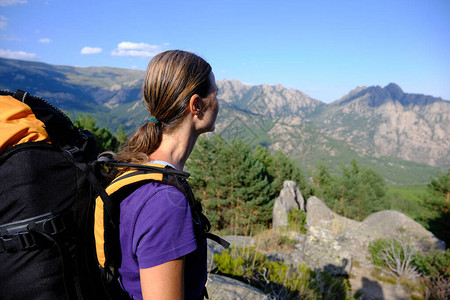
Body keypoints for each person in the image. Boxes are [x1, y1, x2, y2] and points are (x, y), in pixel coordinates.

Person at [113, 50, 219, 300]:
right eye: (216, 93)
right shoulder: (165, 202)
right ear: (197, 105)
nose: (219, 101)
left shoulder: (134, 169)